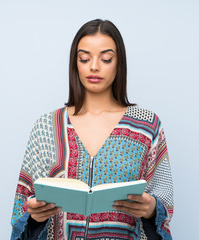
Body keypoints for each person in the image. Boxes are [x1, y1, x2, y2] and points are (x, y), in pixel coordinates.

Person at [10, 19, 173, 240]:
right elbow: (23, 202)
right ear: (75, 63)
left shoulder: (147, 125)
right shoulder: (46, 127)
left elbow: (164, 198)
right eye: (84, 58)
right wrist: (33, 213)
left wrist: (152, 208)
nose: (94, 66)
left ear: (119, 63)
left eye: (106, 58)